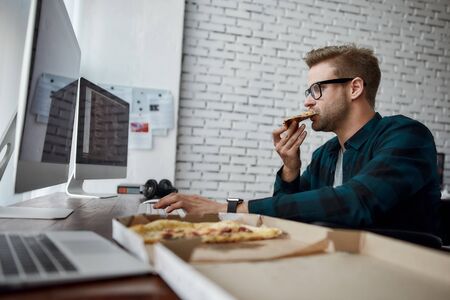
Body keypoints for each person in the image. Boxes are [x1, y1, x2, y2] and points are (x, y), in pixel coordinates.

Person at [154, 44, 441, 234]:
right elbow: (288, 217)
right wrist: (290, 170)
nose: (307, 102)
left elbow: (357, 202)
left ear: (354, 88)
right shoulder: (326, 154)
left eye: (316, 89)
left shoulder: (406, 136)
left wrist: (230, 208)